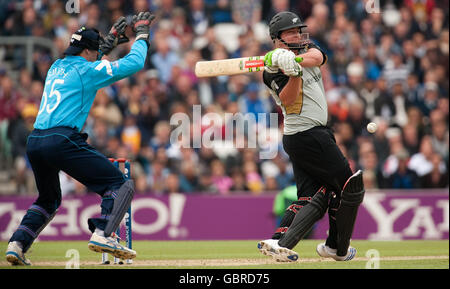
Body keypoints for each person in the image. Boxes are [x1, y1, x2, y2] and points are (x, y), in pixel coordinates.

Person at [5, 12, 156, 266]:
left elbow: (88, 58)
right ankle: (103, 233)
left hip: (36, 141)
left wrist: (106, 43)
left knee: (48, 199)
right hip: (61, 139)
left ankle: (17, 243)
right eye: (96, 50)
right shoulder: (89, 70)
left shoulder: (56, 66)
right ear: (89, 52)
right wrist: (141, 36)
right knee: (119, 184)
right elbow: (135, 63)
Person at [257, 11, 365, 262]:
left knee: (312, 196)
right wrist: (290, 71)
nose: (297, 35)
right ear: (277, 38)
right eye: (291, 33)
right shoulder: (270, 71)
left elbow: (318, 57)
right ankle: (337, 248)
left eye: (298, 31)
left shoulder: (306, 49)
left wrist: (296, 61)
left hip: (312, 133)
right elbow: (288, 100)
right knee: (350, 187)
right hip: (306, 133)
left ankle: (279, 242)